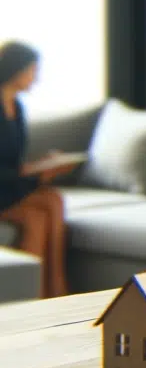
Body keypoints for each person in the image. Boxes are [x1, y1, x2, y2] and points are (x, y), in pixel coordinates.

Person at [0, 41, 75, 297]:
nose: (36, 77)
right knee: (36, 216)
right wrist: (35, 174)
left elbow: (13, 162)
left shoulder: (17, 108)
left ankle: (52, 288)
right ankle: (37, 294)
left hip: (9, 185)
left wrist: (42, 165)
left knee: (52, 202)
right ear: (17, 70)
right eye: (33, 70)